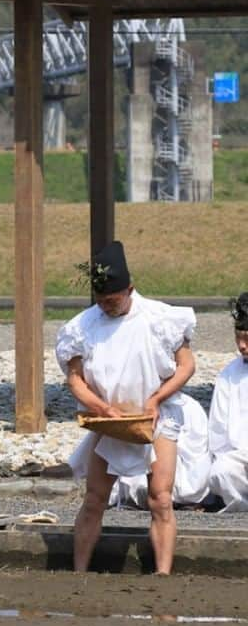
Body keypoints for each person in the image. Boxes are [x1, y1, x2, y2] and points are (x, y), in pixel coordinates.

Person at [56, 241, 204, 575]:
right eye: (101, 300)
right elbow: (75, 379)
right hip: (110, 420)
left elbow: (186, 366)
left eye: (113, 300)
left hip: (157, 416)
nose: (106, 306)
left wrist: (156, 399)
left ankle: (163, 573)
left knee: (160, 498)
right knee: (94, 499)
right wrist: (101, 407)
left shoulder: (160, 317)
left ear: (130, 289)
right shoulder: (81, 327)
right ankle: (79, 571)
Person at [206, 293, 248, 513]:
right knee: (220, 472)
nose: (242, 347)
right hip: (239, 457)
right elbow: (218, 428)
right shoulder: (229, 374)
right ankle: (241, 508)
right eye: (238, 338)